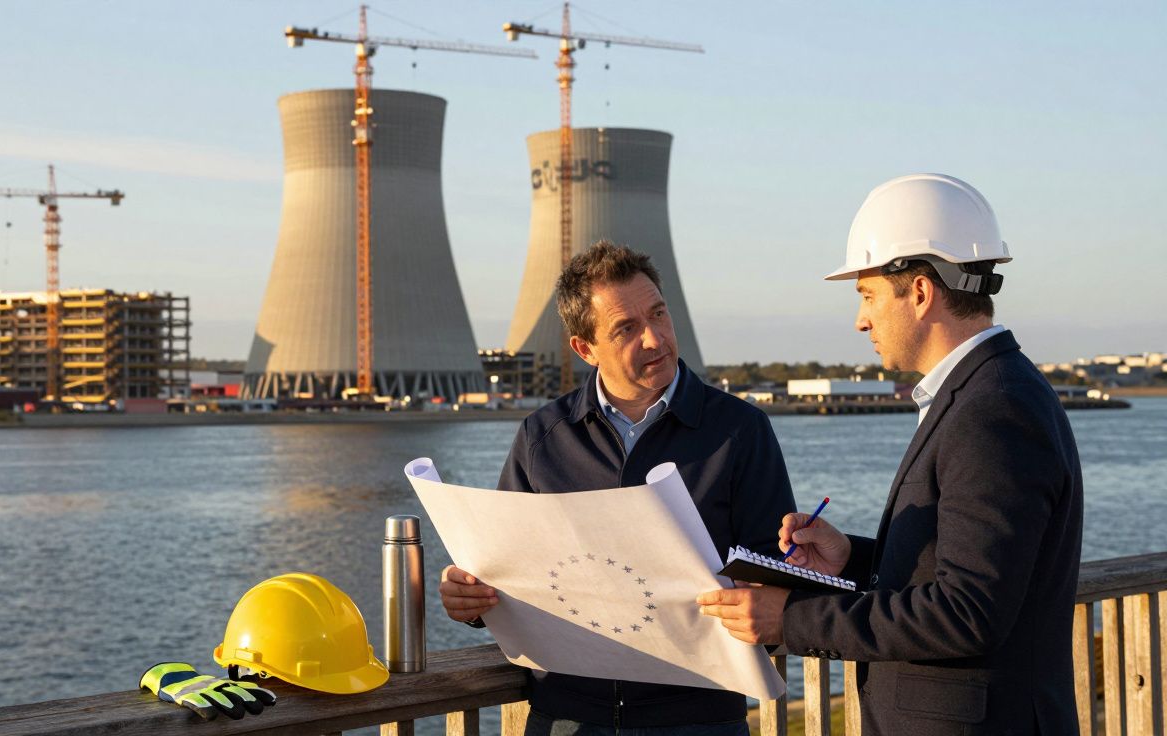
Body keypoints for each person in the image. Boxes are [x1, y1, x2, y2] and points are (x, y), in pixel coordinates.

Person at [697, 173, 1083, 735]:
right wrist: (851, 560)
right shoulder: (988, 392)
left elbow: (967, 612)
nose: (861, 319)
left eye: (868, 294)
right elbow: (962, 568)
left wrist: (791, 618)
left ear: (921, 292)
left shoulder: (991, 411)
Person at [440, 241, 797, 735]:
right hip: (567, 716)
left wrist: (762, 595)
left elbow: (774, 574)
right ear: (585, 349)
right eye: (627, 328)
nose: (655, 339)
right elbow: (506, 571)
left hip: (698, 720)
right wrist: (470, 601)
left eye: (659, 314)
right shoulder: (542, 437)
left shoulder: (740, 431)